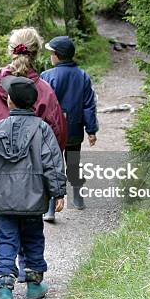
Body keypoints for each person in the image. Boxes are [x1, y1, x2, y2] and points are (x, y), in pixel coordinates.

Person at [0, 27, 66, 289]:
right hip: (33, 172)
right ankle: (28, 272)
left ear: (10, 50)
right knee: (28, 217)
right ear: (35, 53)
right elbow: (56, 133)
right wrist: (56, 182)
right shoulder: (43, 90)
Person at [0, 76, 67, 299]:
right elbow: (53, 164)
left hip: (3, 201)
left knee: (6, 240)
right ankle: (34, 286)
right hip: (34, 200)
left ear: (10, 103)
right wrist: (58, 193)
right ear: (34, 104)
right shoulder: (43, 130)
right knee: (33, 239)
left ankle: (5, 290)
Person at [41, 36, 99, 210]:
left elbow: (42, 105)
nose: (50, 56)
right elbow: (89, 105)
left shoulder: (47, 76)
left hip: (53, 132)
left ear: (57, 55)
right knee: (74, 161)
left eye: (51, 53)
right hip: (74, 130)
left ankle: (50, 207)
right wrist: (91, 130)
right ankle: (78, 198)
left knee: (51, 164)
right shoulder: (83, 76)